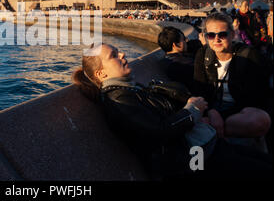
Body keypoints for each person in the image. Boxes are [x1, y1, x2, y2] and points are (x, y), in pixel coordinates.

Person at [72, 43, 272, 180]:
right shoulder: (118, 99)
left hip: (202, 148)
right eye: (113, 56)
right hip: (192, 162)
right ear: (101, 73)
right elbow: (159, 131)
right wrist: (192, 110)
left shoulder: (128, 89)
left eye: (118, 51)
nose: (123, 55)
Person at [193, 12, 272, 140]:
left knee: (260, 120)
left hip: (241, 110)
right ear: (206, 37)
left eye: (222, 34)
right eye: (211, 35)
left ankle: (215, 133)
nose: (217, 39)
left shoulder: (249, 56)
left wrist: (220, 116)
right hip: (213, 108)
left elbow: (254, 98)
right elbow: (199, 90)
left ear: (233, 34)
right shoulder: (202, 54)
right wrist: (212, 112)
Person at [157, 26, 203, 91]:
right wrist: (205, 47)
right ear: (175, 45)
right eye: (184, 39)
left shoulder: (170, 59)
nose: (186, 41)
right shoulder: (178, 65)